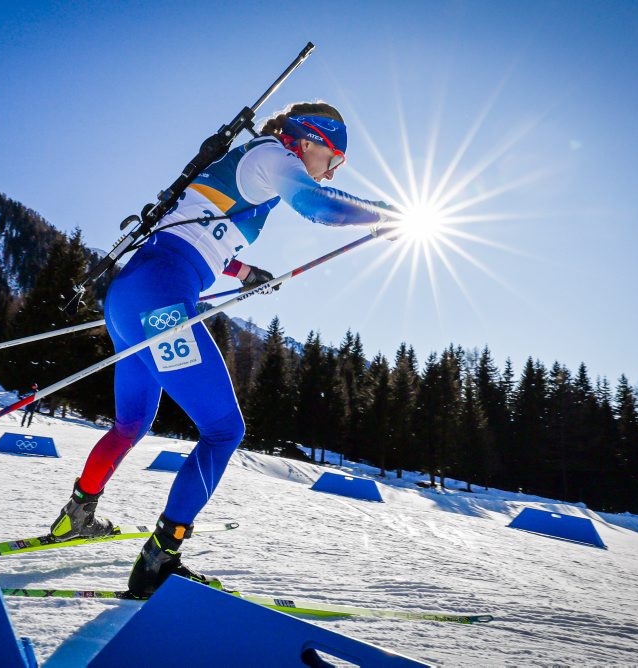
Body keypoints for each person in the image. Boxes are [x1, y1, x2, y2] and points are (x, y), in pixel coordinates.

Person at [47, 101, 398, 599]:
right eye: (335, 158)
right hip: (160, 300)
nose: (332, 169)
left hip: (129, 298)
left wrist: (244, 271)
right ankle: (160, 558)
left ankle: (75, 516)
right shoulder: (275, 156)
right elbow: (318, 205)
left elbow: (199, 234)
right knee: (224, 430)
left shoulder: (246, 167)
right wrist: (384, 215)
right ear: (310, 139)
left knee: (131, 423)